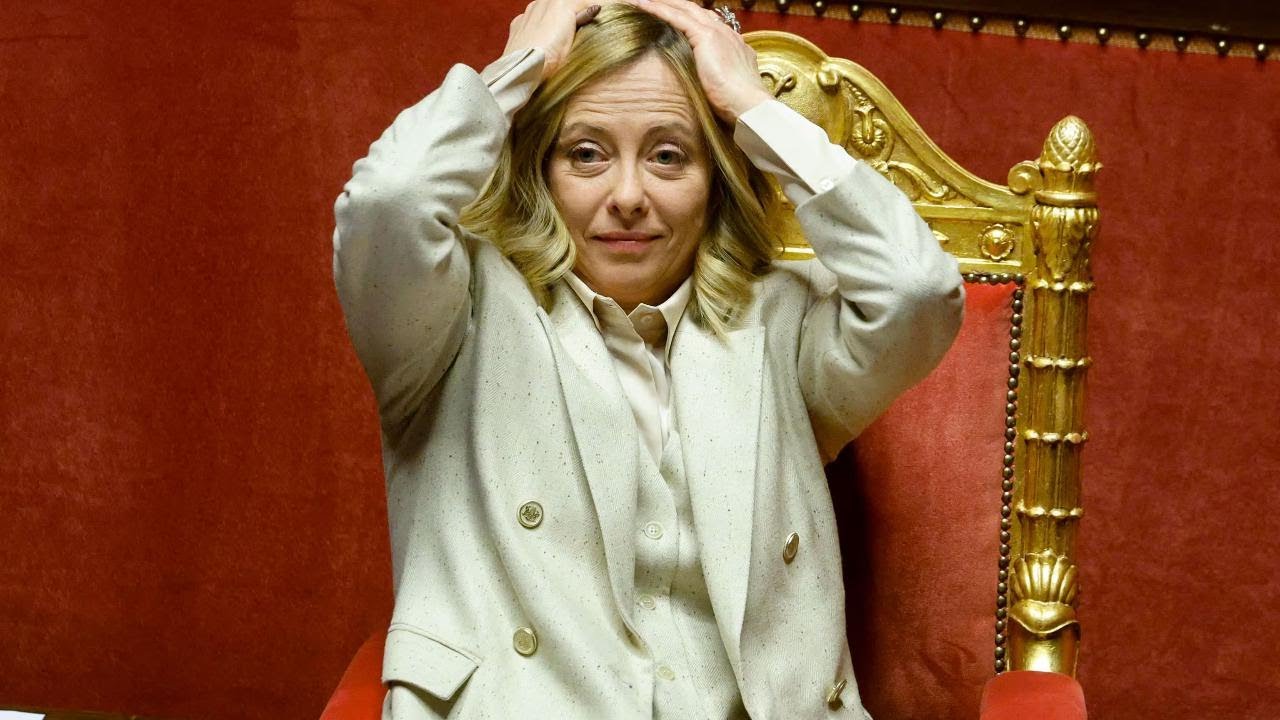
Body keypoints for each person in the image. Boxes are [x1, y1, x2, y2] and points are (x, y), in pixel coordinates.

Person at [331, 1, 964, 717]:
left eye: (668, 156)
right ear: (539, 170)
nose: (628, 196)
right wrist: (519, 70)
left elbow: (917, 291)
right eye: (586, 154)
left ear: (716, 178)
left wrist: (752, 106)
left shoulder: (781, 324)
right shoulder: (451, 315)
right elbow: (388, 202)